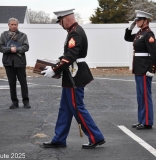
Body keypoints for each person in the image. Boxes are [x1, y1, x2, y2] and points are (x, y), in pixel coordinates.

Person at [41, 9, 105, 149]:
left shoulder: (75, 32)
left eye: (60, 21)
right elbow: (69, 54)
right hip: (72, 74)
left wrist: (55, 69)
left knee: (77, 107)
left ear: (66, 18)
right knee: (65, 108)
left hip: (74, 75)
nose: (60, 24)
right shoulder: (74, 31)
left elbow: (72, 56)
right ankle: (59, 139)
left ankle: (96, 137)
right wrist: (58, 60)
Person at [124, 10, 156, 130]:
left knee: (145, 95)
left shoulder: (148, 34)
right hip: (138, 68)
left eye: (138, 20)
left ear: (145, 21)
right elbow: (127, 38)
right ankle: (141, 120)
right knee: (140, 96)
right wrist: (130, 28)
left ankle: (147, 121)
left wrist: (152, 69)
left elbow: (154, 53)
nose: (137, 21)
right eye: (136, 20)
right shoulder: (140, 33)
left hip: (144, 69)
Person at [0, 18, 31, 109]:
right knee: (12, 83)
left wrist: (16, 49)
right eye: (12, 24)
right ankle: (14, 102)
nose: (13, 26)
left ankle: (26, 101)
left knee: (23, 83)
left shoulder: (23, 36)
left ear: (17, 25)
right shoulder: (3, 35)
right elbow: (0, 47)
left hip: (20, 63)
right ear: (8, 25)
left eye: (15, 24)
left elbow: (26, 47)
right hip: (8, 63)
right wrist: (9, 49)